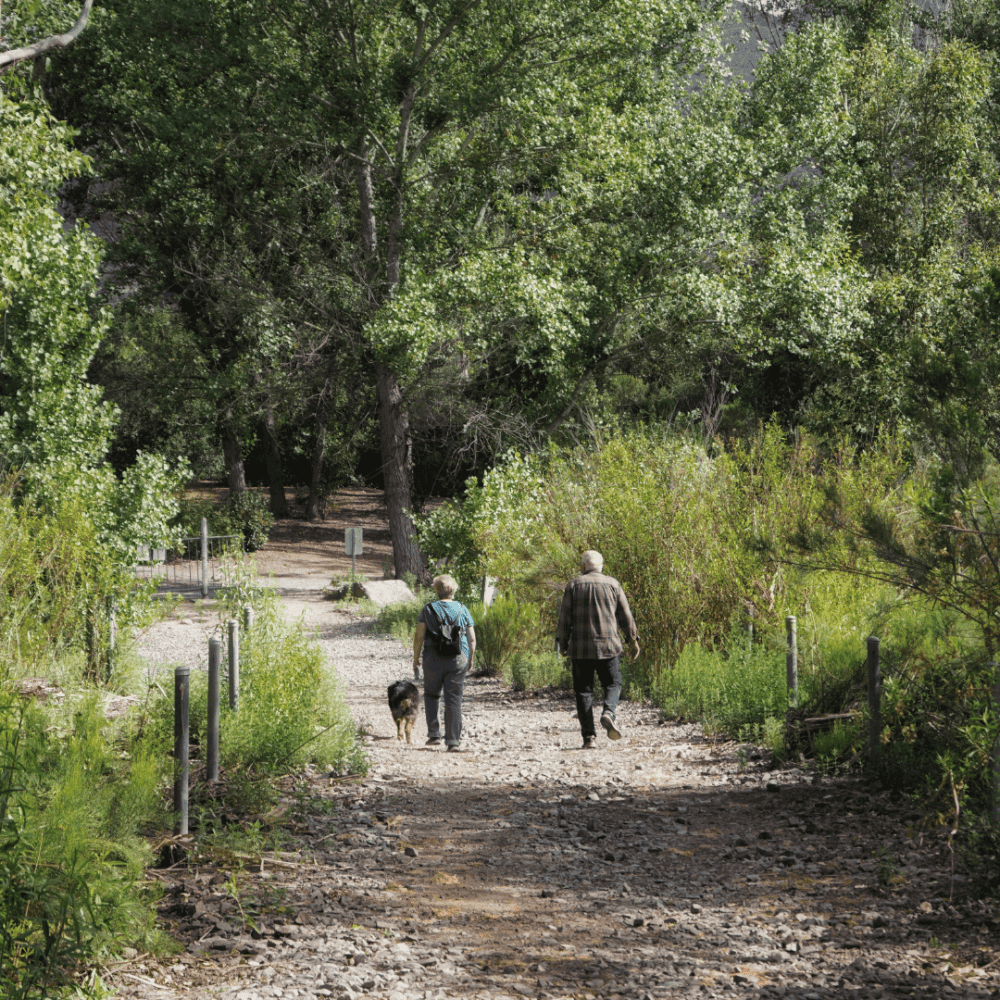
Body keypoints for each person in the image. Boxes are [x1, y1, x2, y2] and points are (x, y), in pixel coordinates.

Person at [556, 550, 640, 749]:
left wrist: (562, 642)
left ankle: (589, 738)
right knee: (613, 684)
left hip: (580, 648)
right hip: (609, 646)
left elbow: (564, 617)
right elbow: (625, 616)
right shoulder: (613, 584)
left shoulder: (574, 585)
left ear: (583, 565)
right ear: (600, 565)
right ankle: (608, 713)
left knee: (583, 692)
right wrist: (633, 640)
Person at [412, 574, 476, 752]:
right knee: (454, 699)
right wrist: (470, 658)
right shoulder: (463, 609)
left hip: (432, 658)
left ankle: (434, 735)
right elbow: (472, 639)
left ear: (436, 590)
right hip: (457, 659)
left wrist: (415, 657)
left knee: (432, 694)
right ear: (453, 590)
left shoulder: (428, 609)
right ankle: (453, 741)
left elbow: (419, 635)